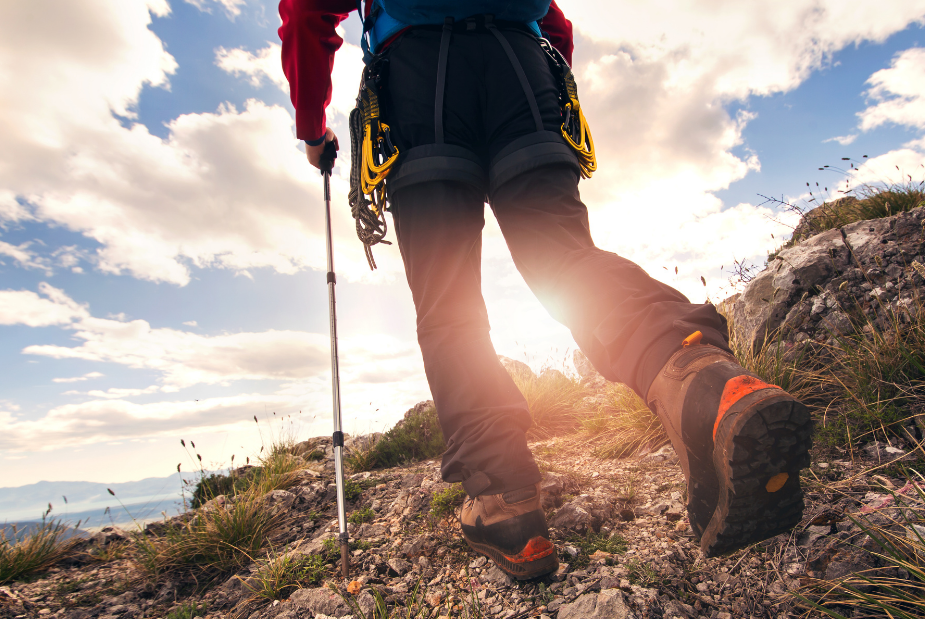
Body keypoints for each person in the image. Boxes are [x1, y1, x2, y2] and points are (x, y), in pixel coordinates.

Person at [279, 0, 813, 580]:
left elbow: (308, 9)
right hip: (521, 65)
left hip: (417, 78)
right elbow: (555, 25)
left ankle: (506, 503)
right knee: (562, 256)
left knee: (447, 302)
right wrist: (536, 82)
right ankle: (703, 379)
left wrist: (312, 126)